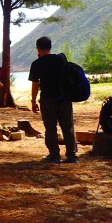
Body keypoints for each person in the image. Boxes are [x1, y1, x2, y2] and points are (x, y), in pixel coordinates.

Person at [28, 36, 78, 164]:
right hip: (64, 98)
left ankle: (55, 156)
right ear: (50, 47)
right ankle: (72, 156)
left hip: (47, 99)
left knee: (50, 127)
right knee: (68, 126)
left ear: (38, 48)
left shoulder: (37, 63)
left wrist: (33, 101)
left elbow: (35, 84)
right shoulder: (60, 59)